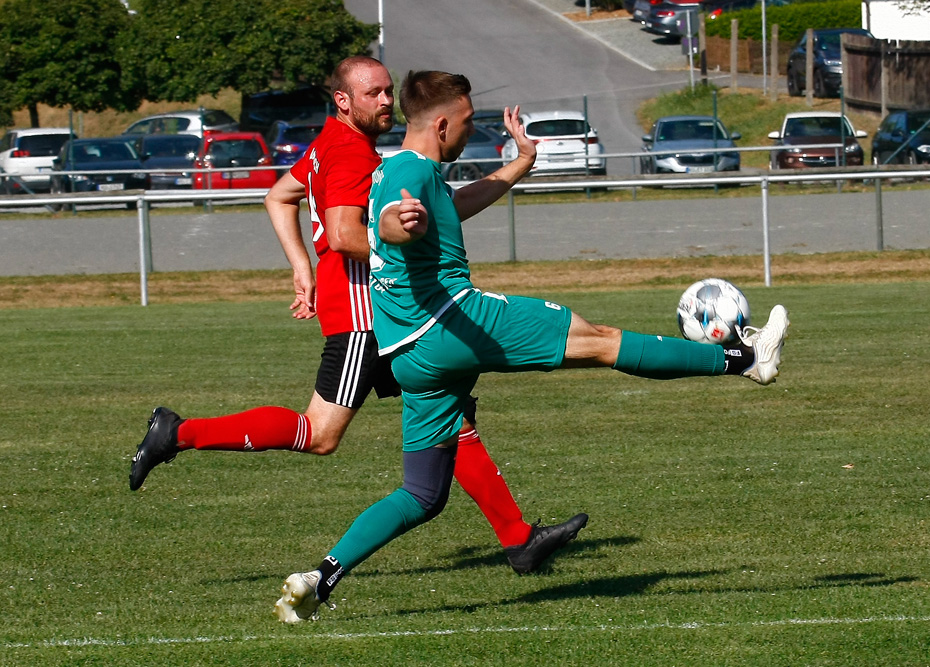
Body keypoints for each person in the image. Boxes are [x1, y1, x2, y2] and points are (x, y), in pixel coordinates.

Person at [274, 70, 790, 623]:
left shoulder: (398, 169)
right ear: (442, 123)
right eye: (469, 122)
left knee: (422, 494)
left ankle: (318, 579)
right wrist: (400, 224)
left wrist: (519, 164)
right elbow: (393, 223)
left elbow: (441, 207)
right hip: (454, 320)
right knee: (601, 342)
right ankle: (744, 358)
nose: (472, 132)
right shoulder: (405, 173)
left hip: (409, 353)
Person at [128, 56, 588, 601]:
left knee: (450, 414)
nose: (387, 102)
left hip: (377, 312)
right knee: (318, 434)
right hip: (370, 319)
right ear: (344, 101)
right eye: (374, 94)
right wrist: (413, 252)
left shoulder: (328, 143)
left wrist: (302, 268)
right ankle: (178, 433)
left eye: (390, 91)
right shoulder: (350, 155)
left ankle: (517, 537)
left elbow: (279, 196)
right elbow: (347, 235)